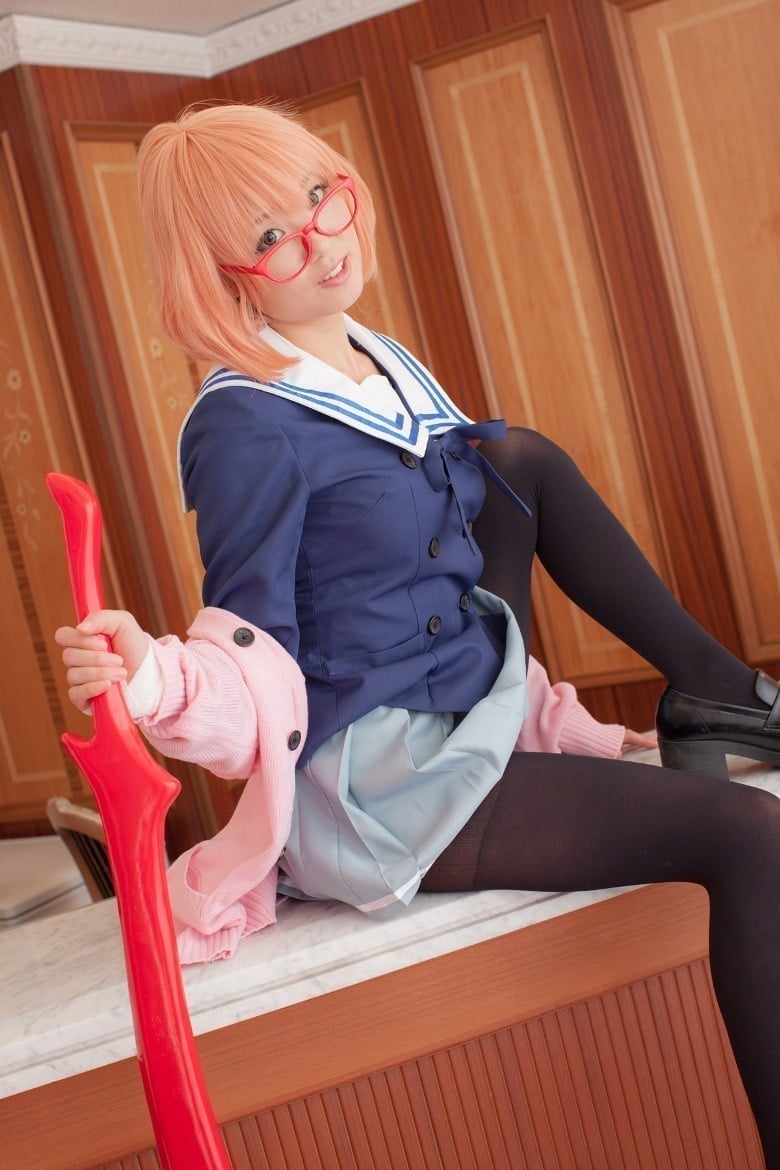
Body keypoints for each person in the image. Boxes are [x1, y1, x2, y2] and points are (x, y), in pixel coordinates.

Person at [55, 102, 780, 1165]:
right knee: (752, 833)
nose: (321, 240)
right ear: (225, 277)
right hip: (383, 772)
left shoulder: (381, 363)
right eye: (271, 236)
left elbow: (458, 557)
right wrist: (154, 675)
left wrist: (536, 707)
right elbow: (249, 645)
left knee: (516, 461)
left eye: (320, 196)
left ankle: (713, 691)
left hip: (462, 703)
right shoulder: (244, 422)